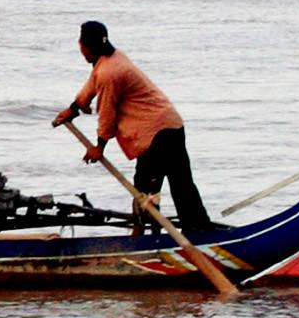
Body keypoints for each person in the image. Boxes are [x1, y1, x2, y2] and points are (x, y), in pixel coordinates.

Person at [52, 20, 215, 237]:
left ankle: (145, 238)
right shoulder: (110, 59)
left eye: (81, 45)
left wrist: (99, 147)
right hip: (170, 124)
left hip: (155, 133)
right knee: (180, 185)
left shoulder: (109, 72)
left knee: (146, 189)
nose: (80, 50)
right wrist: (73, 109)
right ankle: (194, 230)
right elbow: (92, 84)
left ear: (86, 46)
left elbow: (107, 114)